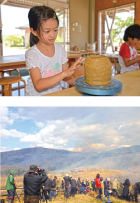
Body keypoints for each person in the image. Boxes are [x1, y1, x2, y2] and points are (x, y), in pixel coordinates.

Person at [25, 5, 85, 96]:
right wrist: (64, 73)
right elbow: (38, 85)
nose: (52, 35)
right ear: (34, 31)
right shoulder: (32, 54)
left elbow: (66, 76)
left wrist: (77, 82)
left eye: (55, 30)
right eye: (47, 31)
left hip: (56, 95)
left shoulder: (60, 50)